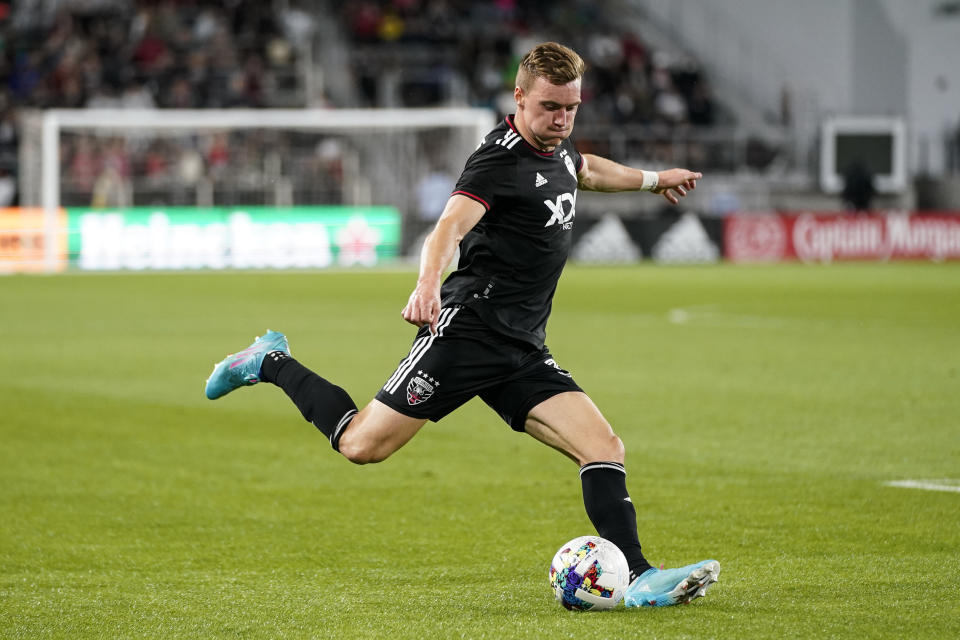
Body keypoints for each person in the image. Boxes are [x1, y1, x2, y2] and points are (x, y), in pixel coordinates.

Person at [205, 42, 720, 608]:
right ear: (518, 98)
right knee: (361, 446)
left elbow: (586, 169)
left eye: (572, 108)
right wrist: (427, 284)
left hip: (522, 348)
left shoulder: (558, 145)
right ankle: (268, 360)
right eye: (550, 107)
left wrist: (652, 179)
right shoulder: (496, 161)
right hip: (466, 334)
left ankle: (641, 576)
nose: (562, 119)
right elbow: (449, 226)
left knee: (604, 446)